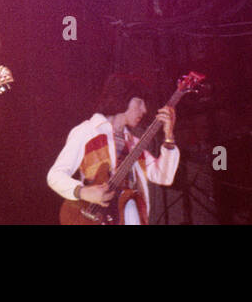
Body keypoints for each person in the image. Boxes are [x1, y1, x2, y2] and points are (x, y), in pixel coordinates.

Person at [47, 76, 179, 225]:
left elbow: (164, 176)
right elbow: (55, 175)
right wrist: (83, 192)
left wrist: (169, 135)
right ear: (124, 97)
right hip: (97, 217)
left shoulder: (135, 144)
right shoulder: (88, 131)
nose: (144, 109)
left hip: (130, 215)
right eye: (140, 102)